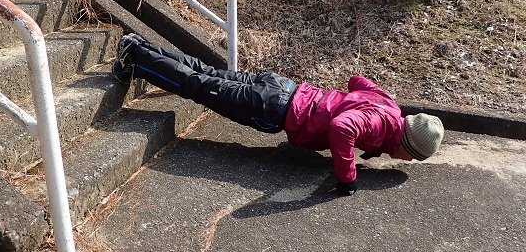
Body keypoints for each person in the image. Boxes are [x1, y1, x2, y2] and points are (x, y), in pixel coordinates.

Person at [112, 33, 445, 196]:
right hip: (274, 109)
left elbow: (357, 82)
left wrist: (343, 106)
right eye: (412, 158)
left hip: (284, 88)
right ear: (406, 143)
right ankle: (137, 54)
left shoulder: (388, 106)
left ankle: (141, 47)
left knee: (206, 74)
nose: (406, 161)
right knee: (198, 86)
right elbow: (344, 127)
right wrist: (348, 178)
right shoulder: (379, 127)